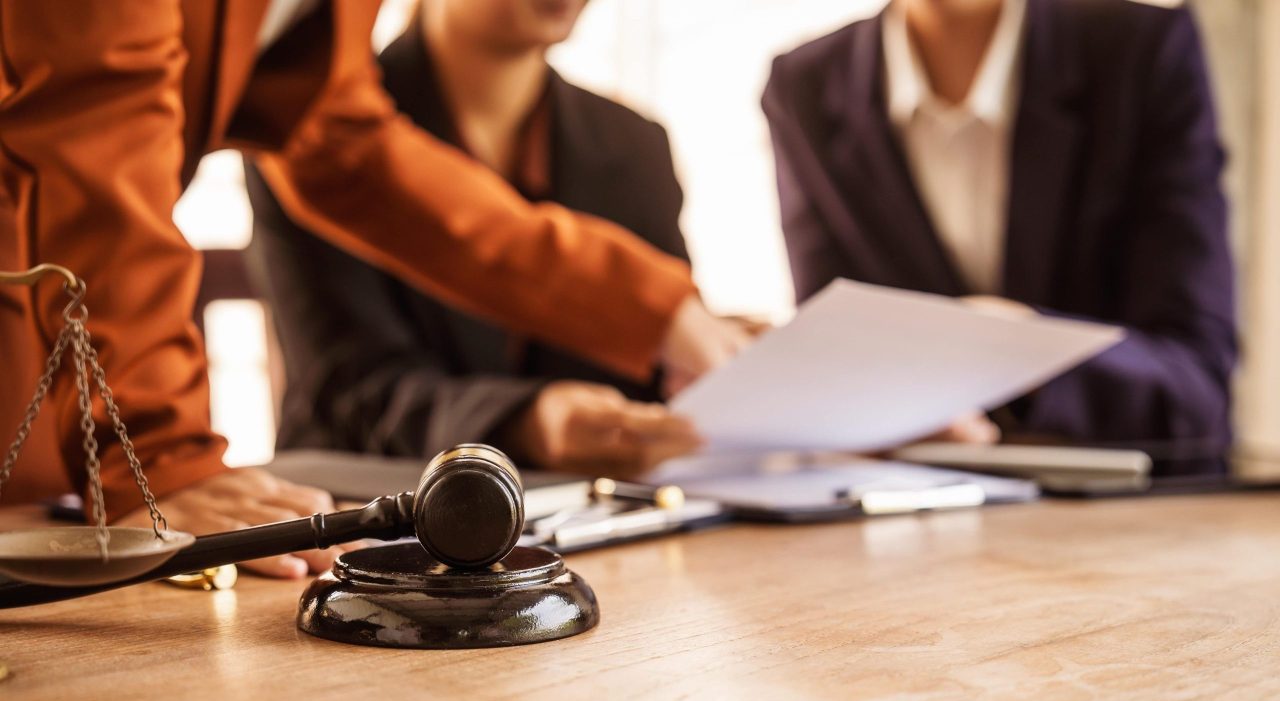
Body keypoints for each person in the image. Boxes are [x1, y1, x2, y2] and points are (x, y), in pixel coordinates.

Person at [0, 0, 747, 577]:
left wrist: (658, 308)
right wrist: (160, 456)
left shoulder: (629, 139)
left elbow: (342, 144)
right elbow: (94, 154)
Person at [244, 0, 701, 478]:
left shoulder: (635, 144)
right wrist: (523, 422)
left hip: (605, 515)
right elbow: (350, 389)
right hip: (370, 508)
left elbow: (659, 377)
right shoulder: (304, 119)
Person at [762, 0, 1235, 453]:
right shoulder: (804, 87)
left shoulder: (1142, 52)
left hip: (1139, 505)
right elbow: (833, 355)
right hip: (910, 506)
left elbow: (1195, 385)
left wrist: (1015, 344)